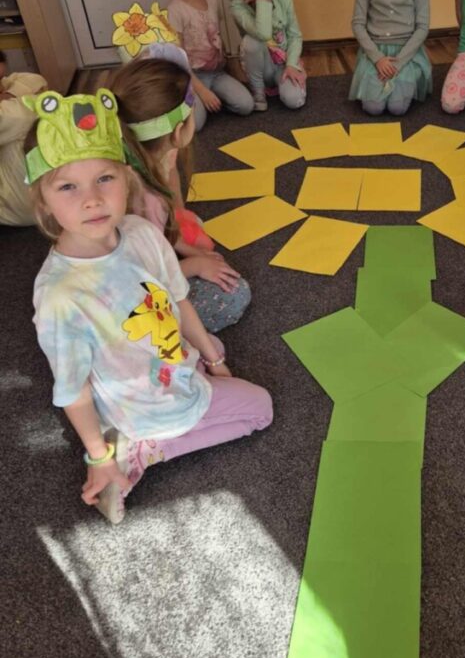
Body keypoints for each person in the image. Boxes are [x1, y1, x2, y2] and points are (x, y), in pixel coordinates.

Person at [26, 88, 272, 524]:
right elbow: (72, 389)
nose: (92, 199)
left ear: (127, 178)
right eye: (68, 186)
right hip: (147, 406)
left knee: (211, 343)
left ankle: (133, 433)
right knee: (261, 409)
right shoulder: (59, 295)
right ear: (43, 200)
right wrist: (99, 457)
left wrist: (214, 359)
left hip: (154, 365)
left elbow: (177, 300)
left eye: (105, 178)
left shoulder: (140, 231)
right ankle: (147, 449)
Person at [108, 58, 251, 334]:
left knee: (195, 233)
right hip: (126, 295)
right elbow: (139, 278)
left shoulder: (144, 163)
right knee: (234, 294)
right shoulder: (144, 200)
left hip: (138, 255)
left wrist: (185, 248)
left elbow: (166, 225)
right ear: (178, 131)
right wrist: (194, 265)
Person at [163, 0, 254, 127]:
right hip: (190, 78)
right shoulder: (173, 11)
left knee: (246, 105)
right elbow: (178, 59)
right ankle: (191, 101)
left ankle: (214, 98)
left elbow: (218, 39)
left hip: (217, 73)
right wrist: (202, 91)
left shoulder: (211, 1)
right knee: (197, 124)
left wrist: (235, 67)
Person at [229, 0, 306, 112]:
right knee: (252, 40)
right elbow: (263, 34)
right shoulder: (237, 6)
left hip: (282, 64)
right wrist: (262, 1)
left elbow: (295, 36)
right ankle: (258, 92)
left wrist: (292, 65)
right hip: (260, 68)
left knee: (294, 100)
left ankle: (285, 82)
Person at [0, 50, 46, 225]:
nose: (1, 87)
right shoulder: (13, 115)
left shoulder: (7, 92)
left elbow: (36, 80)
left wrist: (10, 95)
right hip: (13, 207)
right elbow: (24, 113)